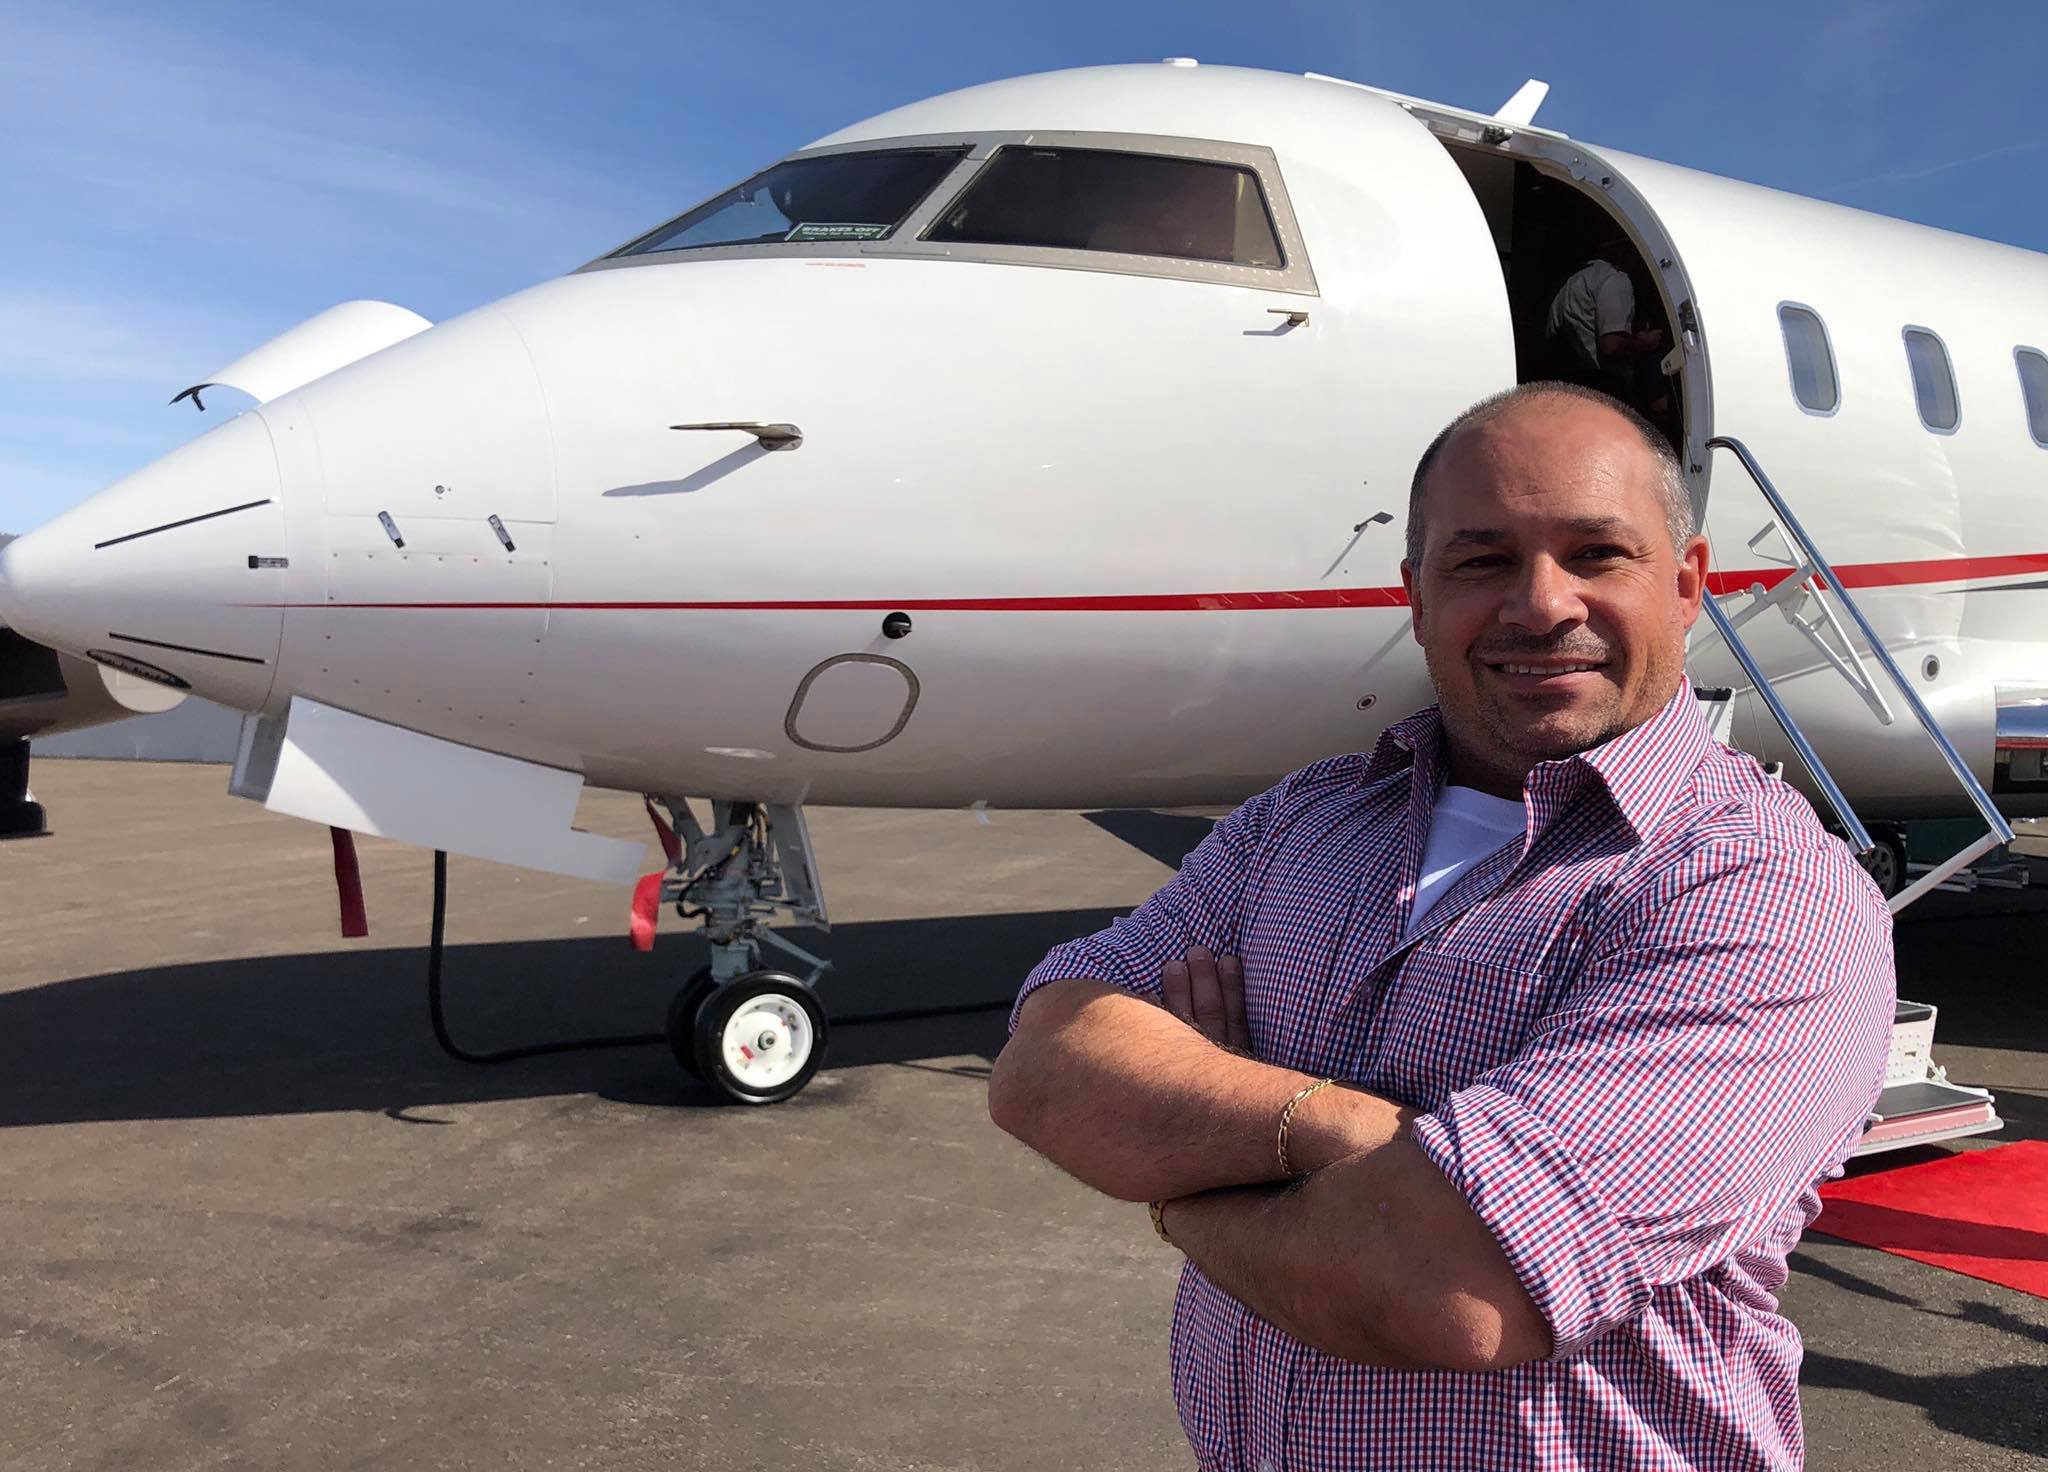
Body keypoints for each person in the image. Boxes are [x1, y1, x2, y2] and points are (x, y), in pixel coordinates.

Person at [988, 383, 1893, 1472]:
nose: (1540, 604)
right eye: (1480, 561)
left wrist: (1178, 1173)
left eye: (1596, 553)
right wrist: (1342, 1135)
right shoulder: (1299, 821)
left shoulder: (1759, 885)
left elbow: (1447, 1288)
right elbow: (1043, 1070)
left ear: (1688, 583)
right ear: (1415, 596)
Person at [1544, 240, 1667, 406]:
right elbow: (1612, 345)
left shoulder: (1579, 278)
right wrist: (1644, 343)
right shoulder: (1614, 279)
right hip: (1600, 388)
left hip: (1567, 384)